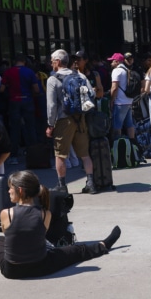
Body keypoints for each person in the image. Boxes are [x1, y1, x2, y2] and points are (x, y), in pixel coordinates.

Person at [0, 170, 121, 279]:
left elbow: (10, 236)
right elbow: (39, 235)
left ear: (21, 191)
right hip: (41, 267)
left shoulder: (5, 213)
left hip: (12, 271)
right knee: (76, 250)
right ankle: (103, 245)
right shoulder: (46, 214)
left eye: (10, 188)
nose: (8, 191)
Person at [46, 50, 97, 194]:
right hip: (80, 119)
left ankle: (62, 185)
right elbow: (91, 94)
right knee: (84, 154)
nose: (51, 63)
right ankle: (91, 183)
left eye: (51, 61)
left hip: (63, 120)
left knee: (60, 154)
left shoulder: (53, 79)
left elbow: (51, 105)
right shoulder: (79, 75)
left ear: (57, 61)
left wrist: (50, 124)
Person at [0, 53, 40, 165]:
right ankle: (34, 154)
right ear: (24, 61)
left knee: (14, 129)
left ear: (14, 61)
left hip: (14, 101)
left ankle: (14, 156)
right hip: (27, 100)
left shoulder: (8, 72)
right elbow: (36, 89)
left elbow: (1, 89)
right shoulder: (29, 72)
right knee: (31, 127)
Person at [108, 52, 136, 141]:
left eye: (112, 61)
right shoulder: (126, 70)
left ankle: (117, 144)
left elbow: (114, 88)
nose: (111, 63)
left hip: (119, 102)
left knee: (117, 126)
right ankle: (132, 143)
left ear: (117, 61)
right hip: (128, 101)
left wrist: (112, 100)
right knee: (129, 124)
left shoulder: (116, 71)